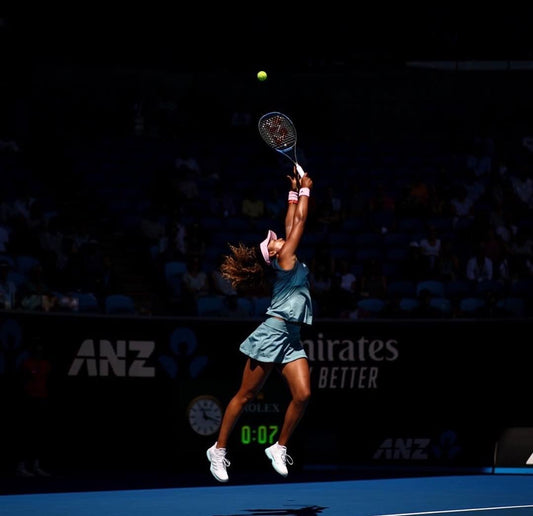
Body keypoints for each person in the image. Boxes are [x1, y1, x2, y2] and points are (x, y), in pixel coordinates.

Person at [206, 167, 314, 483]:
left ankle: (278, 447)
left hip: (292, 336)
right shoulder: (286, 259)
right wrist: (307, 189)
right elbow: (301, 223)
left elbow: (292, 221)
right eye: (276, 241)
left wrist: (293, 190)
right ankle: (219, 450)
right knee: (245, 395)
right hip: (272, 333)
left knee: (303, 395)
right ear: (276, 254)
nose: (280, 238)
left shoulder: (286, 255)